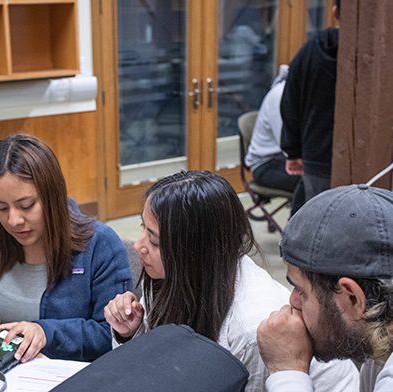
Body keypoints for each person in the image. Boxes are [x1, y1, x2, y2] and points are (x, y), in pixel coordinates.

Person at [103, 170, 358, 392]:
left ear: (194, 252)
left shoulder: (252, 327)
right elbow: (152, 368)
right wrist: (130, 333)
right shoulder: (179, 275)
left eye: (155, 240)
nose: (138, 246)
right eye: (143, 229)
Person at [0, 134, 133, 363]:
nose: (14, 220)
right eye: (1, 208)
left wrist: (46, 333)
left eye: (27, 206)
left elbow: (111, 335)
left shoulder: (100, 245)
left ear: (52, 197)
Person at [257, 184, 393, 392]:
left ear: (353, 298)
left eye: (301, 290)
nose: (292, 301)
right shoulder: (378, 345)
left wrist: (288, 371)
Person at [280, 0, 340, 207]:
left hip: (315, 157)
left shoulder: (310, 51)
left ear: (335, 12)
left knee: (318, 221)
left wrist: (293, 151)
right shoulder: (379, 54)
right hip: (371, 159)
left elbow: (290, 103)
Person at [245, 65, 303, 214]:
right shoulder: (281, 95)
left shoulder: (295, 93)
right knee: (310, 180)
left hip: (281, 159)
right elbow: (287, 144)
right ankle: (297, 232)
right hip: (266, 166)